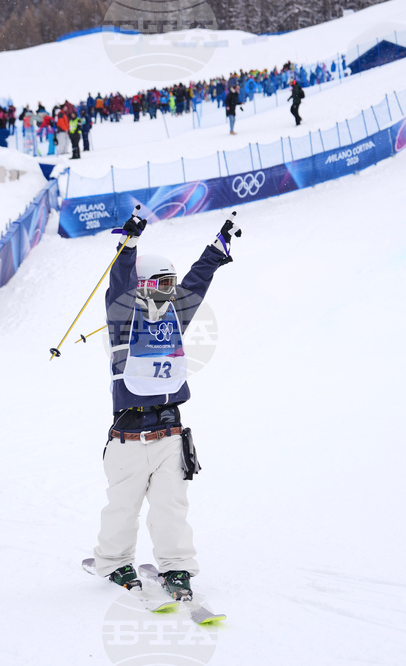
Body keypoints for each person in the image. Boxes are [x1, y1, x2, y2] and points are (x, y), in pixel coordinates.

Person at [92, 209, 243, 600]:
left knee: (171, 509)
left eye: (171, 286)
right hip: (127, 437)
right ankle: (114, 561)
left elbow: (197, 284)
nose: (169, 293)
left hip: (169, 435)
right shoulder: (123, 319)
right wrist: (129, 246)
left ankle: (176, 568)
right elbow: (118, 286)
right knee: (123, 508)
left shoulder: (175, 317)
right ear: (142, 287)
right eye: (161, 285)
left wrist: (217, 250)